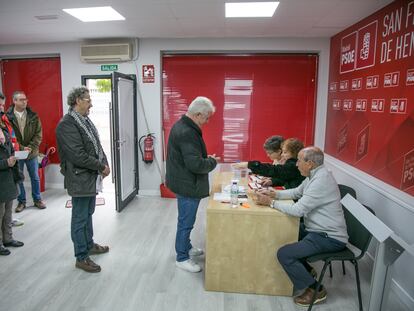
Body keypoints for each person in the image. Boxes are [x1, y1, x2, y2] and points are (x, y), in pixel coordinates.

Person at [253, 146, 348, 307]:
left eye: (299, 161)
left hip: (329, 237)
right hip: (316, 230)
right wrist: (274, 193)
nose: (296, 164)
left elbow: (298, 211)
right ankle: (306, 270)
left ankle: (315, 289)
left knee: (285, 254)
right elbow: (296, 192)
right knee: (285, 231)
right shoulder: (315, 174)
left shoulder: (321, 181)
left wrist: (271, 203)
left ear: (310, 163)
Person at [56, 86, 110, 273]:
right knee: (80, 217)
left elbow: (96, 145)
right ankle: (81, 256)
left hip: (89, 176)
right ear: (77, 101)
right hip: (79, 178)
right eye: (88, 100)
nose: (91, 104)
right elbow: (78, 155)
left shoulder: (84, 121)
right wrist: (100, 166)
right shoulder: (67, 124)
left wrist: (104, 162)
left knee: (88, 213)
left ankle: (89, 245)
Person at [166, 96, 219, 273]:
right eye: (207, 117)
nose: (208, 121)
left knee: (186, 219)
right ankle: (182, 257)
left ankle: (186, 247)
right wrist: (211, 161)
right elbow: (195, 165)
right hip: (187, 184)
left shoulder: (183, 126)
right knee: (186, 222)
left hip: (183, 181)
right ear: (197, 114)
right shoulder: (187, 132)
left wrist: (204, 159)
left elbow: (191, 158)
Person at [6, 91, 46, 212]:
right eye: (21, 99)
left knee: (35, 177)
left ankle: (37, 199)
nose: (25, 101)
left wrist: (31, 147)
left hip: (32, 152)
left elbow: (38, 134)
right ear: (14, 101)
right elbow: (8, 135)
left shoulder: (33, 115)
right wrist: (22, 148)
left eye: (25, 99)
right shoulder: (7, 117)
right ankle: (21, 201)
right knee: (19, 177)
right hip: (17, 152)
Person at [233, 137, 305, 189]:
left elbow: (275, 170)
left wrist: (248, 164)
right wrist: (272, 181)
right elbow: (285, 177)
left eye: (285, 152)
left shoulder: (293, 165)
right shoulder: (292, 164)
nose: (282, 155)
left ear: (294, 153)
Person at [0, 92, 25, 227]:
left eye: (2, 105)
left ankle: (8, 238)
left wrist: (19, 149)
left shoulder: (4, 121)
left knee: (7, 208)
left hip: (10, 168)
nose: (2, 108)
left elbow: (12, 138)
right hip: (3, 167)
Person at [0, 120, 24, 256]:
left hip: (9, 178)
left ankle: (8, 238)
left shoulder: (4, 131)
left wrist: (17, 156)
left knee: (8, 212)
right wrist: (5, 162)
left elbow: (11, 150)